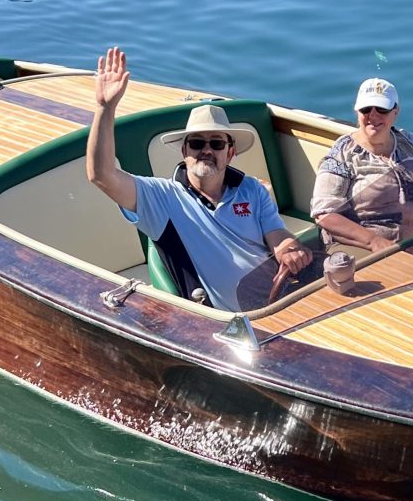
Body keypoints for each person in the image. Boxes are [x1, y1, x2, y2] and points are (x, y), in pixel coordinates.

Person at [85, 47, 312, 312]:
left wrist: (289, 248)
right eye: (196, 143)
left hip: (284, 296)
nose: (206, 150)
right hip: (233, 320)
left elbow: (276, 233)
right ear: (185, 152)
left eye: (216, 143)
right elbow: (101, 175)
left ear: (230, 153)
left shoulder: (252, 189)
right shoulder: (161, 198)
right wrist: (105, 107)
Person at [310, 77, 413, 253]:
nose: (373, 116)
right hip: (360, 246)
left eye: (382, 109)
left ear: (395, 112)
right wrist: (374, 241)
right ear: (357, 111)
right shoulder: (342, 154)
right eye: (366, 109)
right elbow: (324, 213)